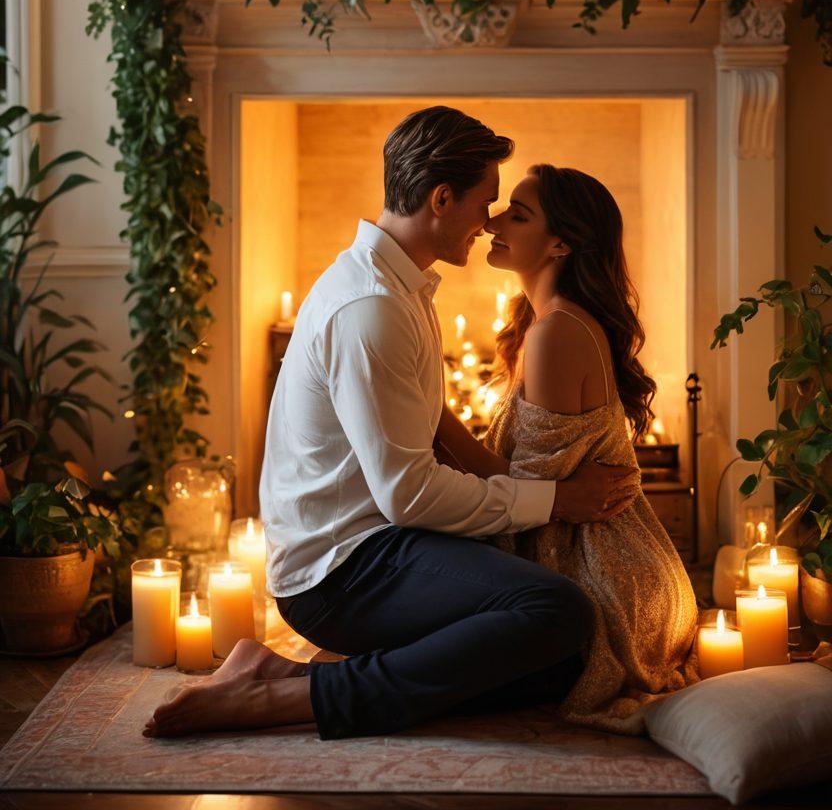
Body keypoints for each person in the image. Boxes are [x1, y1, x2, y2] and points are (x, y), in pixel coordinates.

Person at [144, 107, 638, 741]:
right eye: (485, 201)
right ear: (440, 198)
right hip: (341, 570)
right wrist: (557, 499)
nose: (488, 221)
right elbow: (409, 495)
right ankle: (288, 700)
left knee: (563, 661)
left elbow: (427, 432)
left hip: (381, 540)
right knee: (556, 611)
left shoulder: (400, 288)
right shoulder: (372, 307)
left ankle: (275, 673)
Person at [437, 164, 698, 732]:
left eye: (518, 215)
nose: (492, 222)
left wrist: (427, 410)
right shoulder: (546, 322)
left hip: (609, 580)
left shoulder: (557, 332)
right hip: (606, 561)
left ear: (561, 243)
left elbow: (523, 490)